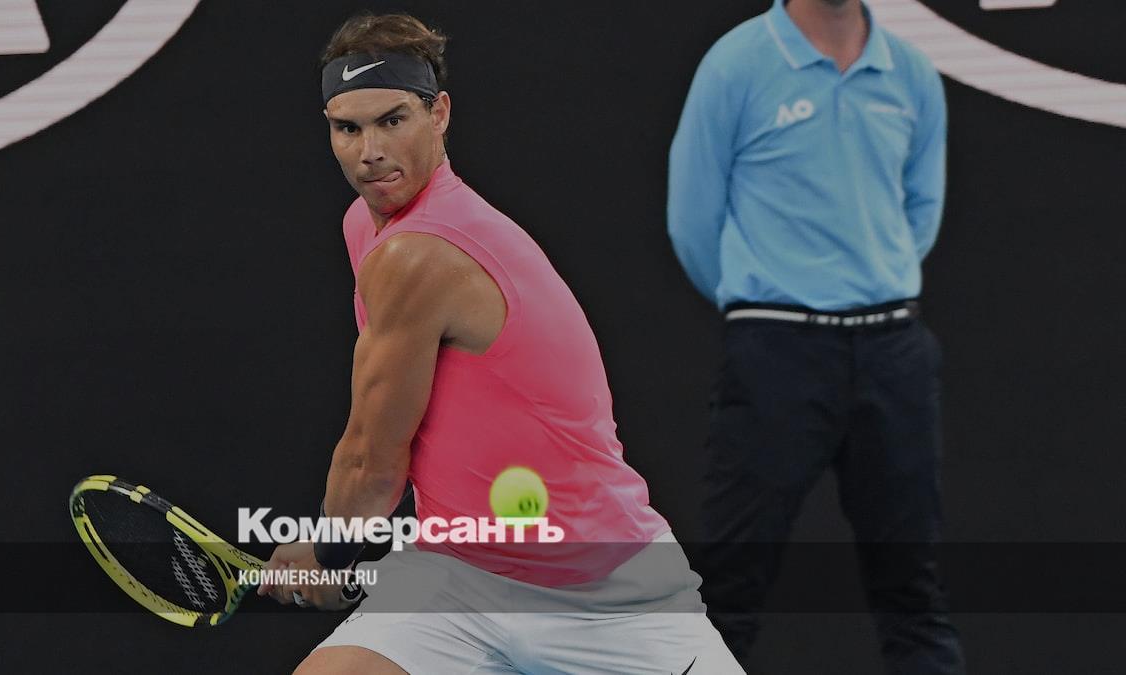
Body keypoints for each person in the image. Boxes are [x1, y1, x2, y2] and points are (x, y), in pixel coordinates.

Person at [257, 13, 742, 675]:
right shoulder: (364, 226)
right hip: (457, 575)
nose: (370, 151)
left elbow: (373, 458)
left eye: (393, 120)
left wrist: (328, 556)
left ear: (439, 114)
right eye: (348, 128)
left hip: (601, 591)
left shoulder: (416, 255)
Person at [667, 1, 964, 673]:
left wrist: (870, 279)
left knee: (914, 591)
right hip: (777, 350)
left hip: (892, 350)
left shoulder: (911, 71)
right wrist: (766, 299)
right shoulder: (736, 65)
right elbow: (692, 219)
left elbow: (920, 211)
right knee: (728, 588)